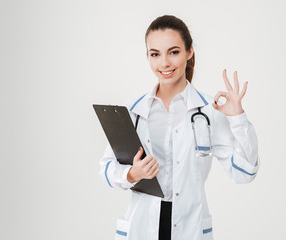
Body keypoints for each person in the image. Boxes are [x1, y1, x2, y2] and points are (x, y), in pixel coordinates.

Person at [99, 15, 260, 240]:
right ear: (148, 56)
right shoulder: (132, 111)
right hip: (141, 227)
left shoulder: (209, 110)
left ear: (189, 52)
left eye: (173, 52)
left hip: (190, 228)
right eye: (155, 54)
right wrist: (133, 173)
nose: (164, 63)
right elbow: (106, 170)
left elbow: (245, 172)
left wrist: (237, 117)